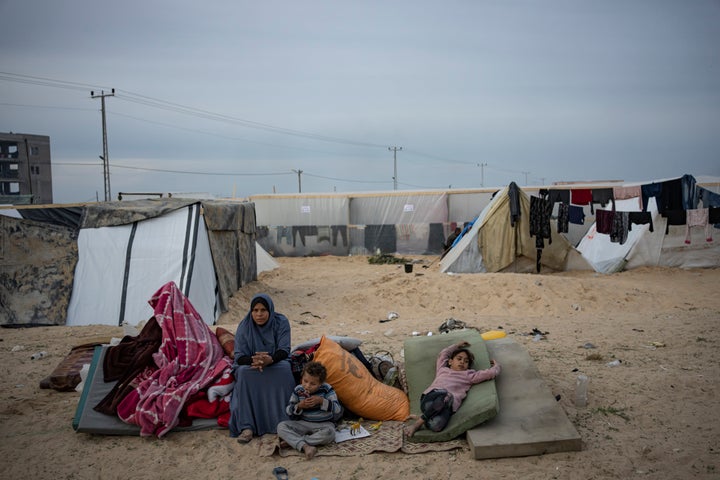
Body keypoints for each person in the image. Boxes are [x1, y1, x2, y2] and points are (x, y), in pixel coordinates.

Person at [229, 293, 297, 443]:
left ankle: (284, 422)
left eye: (263, 310)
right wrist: (255, 360)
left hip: (275, 362)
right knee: (244, 373)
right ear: (251, 311)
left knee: (284, 369)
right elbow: (239, 356)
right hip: (251, 365)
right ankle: (247, 427)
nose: (259, 314)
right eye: (255, 310)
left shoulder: (281, 322)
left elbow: (284, 349)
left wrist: (269, 360)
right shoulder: (244, 326)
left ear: (270, 310)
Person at [405, 341, 500, 437]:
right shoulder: (442, 369)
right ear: (450, 361)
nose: (462, 362)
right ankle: (417, 425)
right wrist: (457, 346)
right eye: (459, 359)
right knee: (447, 395)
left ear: (468, 366)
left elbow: (489, 374)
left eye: (466, 361)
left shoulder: (469, 375)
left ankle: (421, 418)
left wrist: (496, 366)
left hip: (446, 407)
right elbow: (443, 354)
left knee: (437, 427)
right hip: (430, 399)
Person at [276, 361, 344, 459]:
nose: (307, 386)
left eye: (313, 384)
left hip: (324, 424)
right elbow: (288, 410)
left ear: (320, 383)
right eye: (305, 381)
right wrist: (299, 406)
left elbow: (337, 409)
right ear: (302, 378)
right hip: (304, 423)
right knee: (281, 426)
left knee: (330, 433)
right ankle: (305, 446)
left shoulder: (326, 389)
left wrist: (321, 401)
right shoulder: (298, 390)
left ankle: (296, 442)